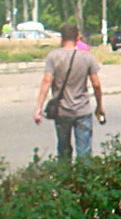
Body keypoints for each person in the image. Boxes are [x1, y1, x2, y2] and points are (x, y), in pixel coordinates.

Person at [33, 23, 104, 162]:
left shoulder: (53, 57)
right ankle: (83, 181)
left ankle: (65, 180)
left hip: (62, 111)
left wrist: (38, 108)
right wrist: (99, 106)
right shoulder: (87, 57)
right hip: (82, 110)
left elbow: (46, 81)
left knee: (64, 150)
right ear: (78, 37)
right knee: (84, 153)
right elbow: (96, 84)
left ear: (62, 38)